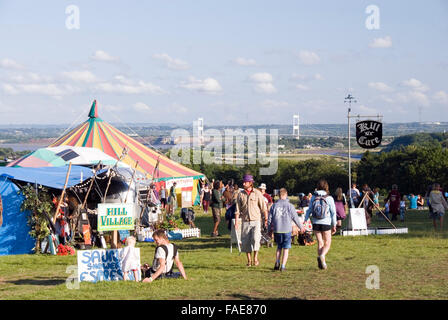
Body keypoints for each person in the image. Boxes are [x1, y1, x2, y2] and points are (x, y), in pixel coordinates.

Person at [234, 174, 268, 267]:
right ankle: (249, 261)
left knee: (256, 239)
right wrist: (236, 222)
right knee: (246, 242)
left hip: (256, 220)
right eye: (243, 181)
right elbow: (237, 210)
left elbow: (264, 208)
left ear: (250, 183)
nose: (244, 183)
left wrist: (266, 219)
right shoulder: (240, 194)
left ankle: (255, 258)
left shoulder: (257, 193)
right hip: (245, 220)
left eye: (246, 182)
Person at [268, 188, 305, 272]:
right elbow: (295, 218)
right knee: (286, 248)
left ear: (278, 195)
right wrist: (301, 227)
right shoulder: (290, 206)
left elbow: (270, 219)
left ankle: (277, 262)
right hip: (286, 229)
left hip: (277, 229)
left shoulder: (274, 205)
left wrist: (269, 230)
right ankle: (283, 265)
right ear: (286, 194)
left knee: (279, 247)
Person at [305, 179, 337, 270]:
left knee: (320, 242)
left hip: (315, 222)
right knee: (328, 242)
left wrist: (305, 219)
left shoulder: (313, 197)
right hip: (326, 223)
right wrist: (334, 224)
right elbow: (333, 213)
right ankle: (322, 256)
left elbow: (309, 210)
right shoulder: (329, 198)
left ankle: (322, 262)